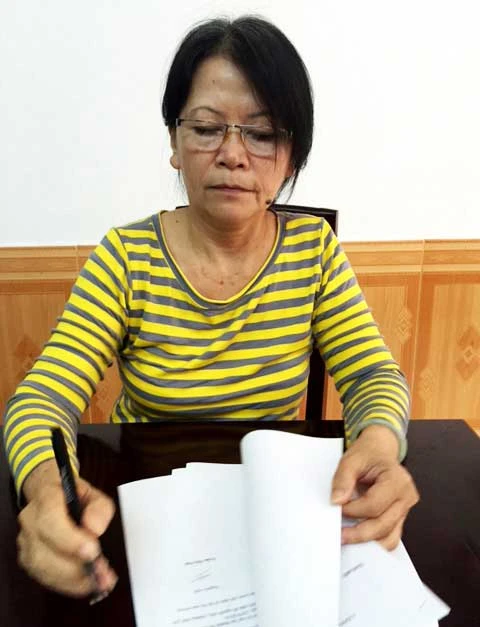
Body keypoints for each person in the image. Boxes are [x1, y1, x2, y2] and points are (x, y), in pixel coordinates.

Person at [3, 15, 419, 600]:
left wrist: (379, 443)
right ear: (175, 144)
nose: (232, 154)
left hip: (277, 508)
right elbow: (40, 399)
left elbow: (374, 375)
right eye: (205, 128)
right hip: (153, 514)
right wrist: (48, 489)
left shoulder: (314, 251)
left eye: (262, 133)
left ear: (290, 155)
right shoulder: (126, 258)